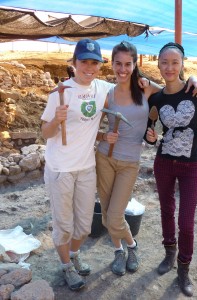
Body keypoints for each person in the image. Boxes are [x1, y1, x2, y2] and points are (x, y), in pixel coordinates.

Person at [95, 41, 197, 277]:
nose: (122, 69)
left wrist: (195, 77)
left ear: (135, 65)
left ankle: (145, 252)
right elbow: (91, 128)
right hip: (117, 158)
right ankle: (124, 251)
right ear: (112, 64)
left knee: (118, 216)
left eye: (128, 64)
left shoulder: (155, 89)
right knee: (110, 214)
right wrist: (106, 135)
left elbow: (177, 91)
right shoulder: (112, 94)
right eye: (118, 64)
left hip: (146, 162)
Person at [145, 42, 197, 297]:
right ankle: (169, 253)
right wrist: (149, 137)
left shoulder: (195, 92)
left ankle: (184, 268)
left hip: (191, 166)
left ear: (182, 64)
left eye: (174, 62)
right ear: (158, 64)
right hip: (164, 163)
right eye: (164, 62)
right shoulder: (156, 98)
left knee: (186, 222)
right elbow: (152, 134)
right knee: (167, 211)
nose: (169, 67)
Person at [41, 38, 114, 291]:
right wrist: (55, 121)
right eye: (84, 61)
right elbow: (45, 133)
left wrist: (188, 79)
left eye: (95, 62)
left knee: (83, 225)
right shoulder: (60, 92)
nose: (90, 67)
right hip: (60, 169)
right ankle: (65, 266)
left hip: (86, 167)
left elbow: (138, 85)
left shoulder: (102, 88)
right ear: (74, 63)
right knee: (64, 224)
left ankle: (73, 254)